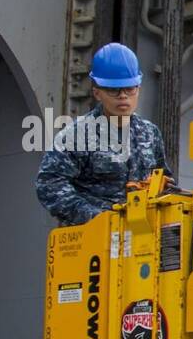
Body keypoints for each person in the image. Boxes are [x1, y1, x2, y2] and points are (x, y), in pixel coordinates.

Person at [35, 43, 171, 226]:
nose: (123, 96)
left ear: (138, 89)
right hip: (93, 239)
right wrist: (95, 217)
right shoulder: (77, 136)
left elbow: (164, 181)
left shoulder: (150, 134)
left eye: (130, 89)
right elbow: (49, 184)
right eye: (114, 90)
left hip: (141, 234)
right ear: (97, 93)